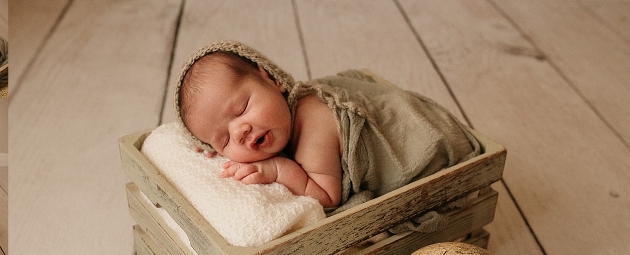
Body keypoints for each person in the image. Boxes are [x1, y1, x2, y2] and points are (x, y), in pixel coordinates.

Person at [175, 41, 481, 213]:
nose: (239, 131)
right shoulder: (278, 122)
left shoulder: (312, 121)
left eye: (241, 108)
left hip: (424, 148)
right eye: (224, 139)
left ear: (272, 79)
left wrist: (280, 170)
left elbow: (326, 196)